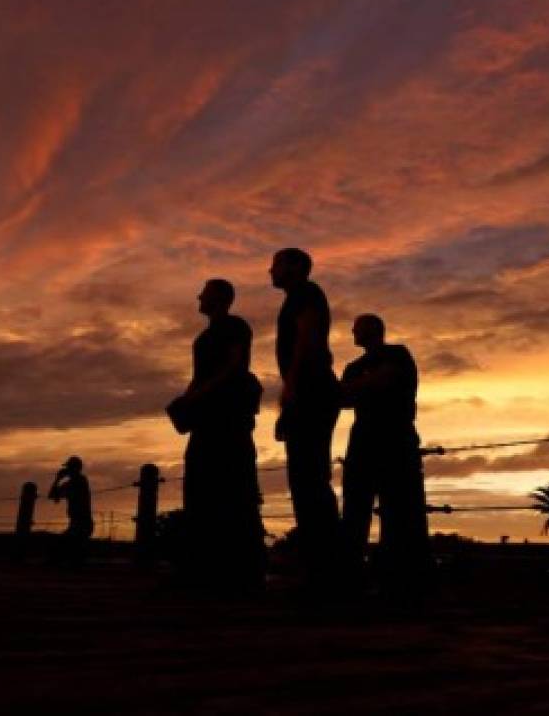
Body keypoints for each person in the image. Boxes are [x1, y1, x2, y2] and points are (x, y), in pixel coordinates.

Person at [167, 279, 265, 590]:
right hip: (206, 419)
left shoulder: (235, 326)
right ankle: (201, 567)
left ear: (220, 298)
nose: (199, 297)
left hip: (229, 417)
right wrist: (187, 401)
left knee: (234, 488)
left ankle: (242, 571)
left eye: (205, 293)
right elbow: (199, 377)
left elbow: (235, 366)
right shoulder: (204, 336)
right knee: (200, 487)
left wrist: (199, 396)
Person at [339, 314, 430, 597]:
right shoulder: (354, 367)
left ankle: (401, 580)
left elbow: (381, 382)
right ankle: (352, 578)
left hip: (396, 441)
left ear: (373, 330)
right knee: (356, 511)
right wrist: (369, 382)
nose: (353, 331)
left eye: (358, 327)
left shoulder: (397, 354)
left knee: (400, 511)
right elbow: (343, 398)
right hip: (364, 443)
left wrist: (363, 384)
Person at [269, 247, 341, 588]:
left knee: (309, 478)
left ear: (295, 267)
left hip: (311, 392)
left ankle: (326, 568)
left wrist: (291, 389)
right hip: (309, 392)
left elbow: (308, 339)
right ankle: (321, 565)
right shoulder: (296, 297)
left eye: (276, 264)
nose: (270, 270)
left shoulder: (306, 293)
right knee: (305, 478)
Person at [47, 456, 93, 566]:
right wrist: (57, 480)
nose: (67, 470)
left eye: (69, 467)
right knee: (65, 553)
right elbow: (52, 496)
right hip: (77, 524)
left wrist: (58, 480)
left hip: (81, 524)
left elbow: (54, 496)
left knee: (62, 551)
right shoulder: (71, 483)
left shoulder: (79, 481)